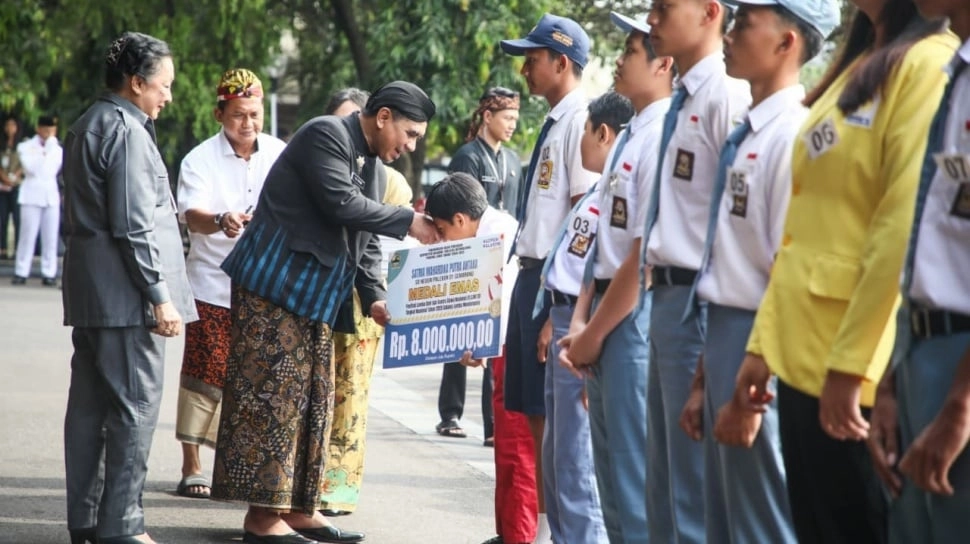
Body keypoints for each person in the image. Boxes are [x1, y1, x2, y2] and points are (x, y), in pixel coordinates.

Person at [733, 2, 954, 541]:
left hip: (855, 365)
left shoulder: (928, 63)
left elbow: (898, 228)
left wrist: (853, 367)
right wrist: (763, 346)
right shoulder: (861, 62)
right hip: (802, 349)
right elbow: (803, 227)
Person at [210, 81, 439, 544]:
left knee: (313, 406)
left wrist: (373, 296)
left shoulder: (371, 163)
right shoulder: (325, 133)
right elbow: (342, 204)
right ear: (383, 117)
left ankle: (298, 509)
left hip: (315, 299)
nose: (412, 146)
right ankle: (262, 519)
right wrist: (409, 221)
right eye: (411, 134)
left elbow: (365, 241)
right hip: (273, 289)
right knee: (274, 404)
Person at [677, 2, 838, 542]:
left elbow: (786, 273)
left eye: (746, 23)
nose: (730, 34)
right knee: (724, 521)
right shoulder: (750, 132)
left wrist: (755, 386)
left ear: (787, 42)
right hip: (726, 333)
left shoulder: (792, 136)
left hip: (758, 342)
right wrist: (704, 379)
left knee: (758, 521)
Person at [61, 31, 197, 544]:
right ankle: (122, 525)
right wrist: (161, 297)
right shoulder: (126, 131)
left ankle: (87, 521)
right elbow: (134, 226)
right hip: (127, 298)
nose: (168, 96)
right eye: (164, 85)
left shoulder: (88, 123)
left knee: (89, 412)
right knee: (135, 410)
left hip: (95, 295)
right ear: (136, 83)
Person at [559, 13, 673, 542]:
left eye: (630, 51)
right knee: (609, 478)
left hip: (629, 318)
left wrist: (594, 331)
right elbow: (603, 242)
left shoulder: (661, 136)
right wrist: (580, 323)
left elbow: (641, 255)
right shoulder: (631, 137)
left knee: (632, 480)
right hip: (603, 314)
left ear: (663, 64)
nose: (620, 60)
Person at [640, 2, 750, 542]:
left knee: (690, 489)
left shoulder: (725, 97)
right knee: (662, 484)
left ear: (709, 12)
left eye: (664, 7)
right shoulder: (683, 100)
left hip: (696, 305)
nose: (652, 19)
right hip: (665, 300)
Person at [867, 1, 970, 541]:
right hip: (919, 348)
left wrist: (962, 404)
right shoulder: (955, 73)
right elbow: (933, 242)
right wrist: (891, 380)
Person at [500, 14, 599, 542]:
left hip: (552, 285)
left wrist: (559, 309)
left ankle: (556, 529)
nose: (524, 70)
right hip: (531, 276)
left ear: (562, 63)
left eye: (533, 59)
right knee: (532, 412)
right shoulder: (556, 122)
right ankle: (542, 526)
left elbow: (584, 218)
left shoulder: (581, 121)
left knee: (555, 419)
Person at [173, 68, 287, 500]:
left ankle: (241, 469)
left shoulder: (279, 153)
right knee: (205, 372)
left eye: (255, 114)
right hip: (212, 284)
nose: (248, 123)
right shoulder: (199, 159)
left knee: (256, 379)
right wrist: (221, 220)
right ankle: (192, 464)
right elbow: (192, 216)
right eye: (239, 115)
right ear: (219, 114)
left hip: (265, 285)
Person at [536, 90, 632, 544]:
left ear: (604, 134)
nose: (580, 145)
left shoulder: (613, 194)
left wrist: (584, 328)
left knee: (576, 456)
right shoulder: (597, 190)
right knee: (557, 453)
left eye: (585, 135)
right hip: (563, 314)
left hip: (584, 323)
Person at [319, 87, 413, 517]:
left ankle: (336, 491)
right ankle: (302, 490)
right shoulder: (325, 150)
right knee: (317, 397)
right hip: (321, 297)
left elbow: (378, 245)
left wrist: (376, 295)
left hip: (361, 303)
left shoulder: (387, 178)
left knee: (351, 400)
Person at [422, 172, 529, 544]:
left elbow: (505, 302)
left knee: (517, 448)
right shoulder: (493, 231)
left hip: (517, 348)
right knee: (506, 445)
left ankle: (519, 535)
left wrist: (479, 344)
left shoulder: (496, 241)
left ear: (460, 219)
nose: (441, 240)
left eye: (441, 230)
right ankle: (510, 531)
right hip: (506, 348)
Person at [436, 87, 522, 443]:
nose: (512, 125)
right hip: (470, 248)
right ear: (488, 117)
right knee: (461, 330)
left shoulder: (513, 160)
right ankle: (450, 413)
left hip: (504, 246)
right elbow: (456, 205)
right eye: (507, 117)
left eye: (516, 118)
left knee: (496, 333)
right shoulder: (468, 156)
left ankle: (492, 425)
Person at [13, 114, 62, 285]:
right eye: (46, 129)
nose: (49, 133)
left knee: (50, 237)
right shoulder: (25, 146)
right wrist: (45, 152)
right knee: (27, 235)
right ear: (39, 129)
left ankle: (49, 273)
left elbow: (51, 171)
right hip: (31, 195)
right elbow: (31, 168)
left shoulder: (57, 148)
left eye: (52, 129)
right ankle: (21, 271)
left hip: (50, 196)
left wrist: (48, 149)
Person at [0, 116, 22, 260]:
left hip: (17, 185)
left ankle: (18, 250)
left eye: (13, 125)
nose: (10, 128)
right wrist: (5, 178)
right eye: (7, 125)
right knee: (2, 218)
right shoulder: (2, 145)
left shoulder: (22, 145)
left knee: (17, 218)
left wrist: (14, 177)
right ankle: (2, 249)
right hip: (2, 186)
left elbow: (24, 164)